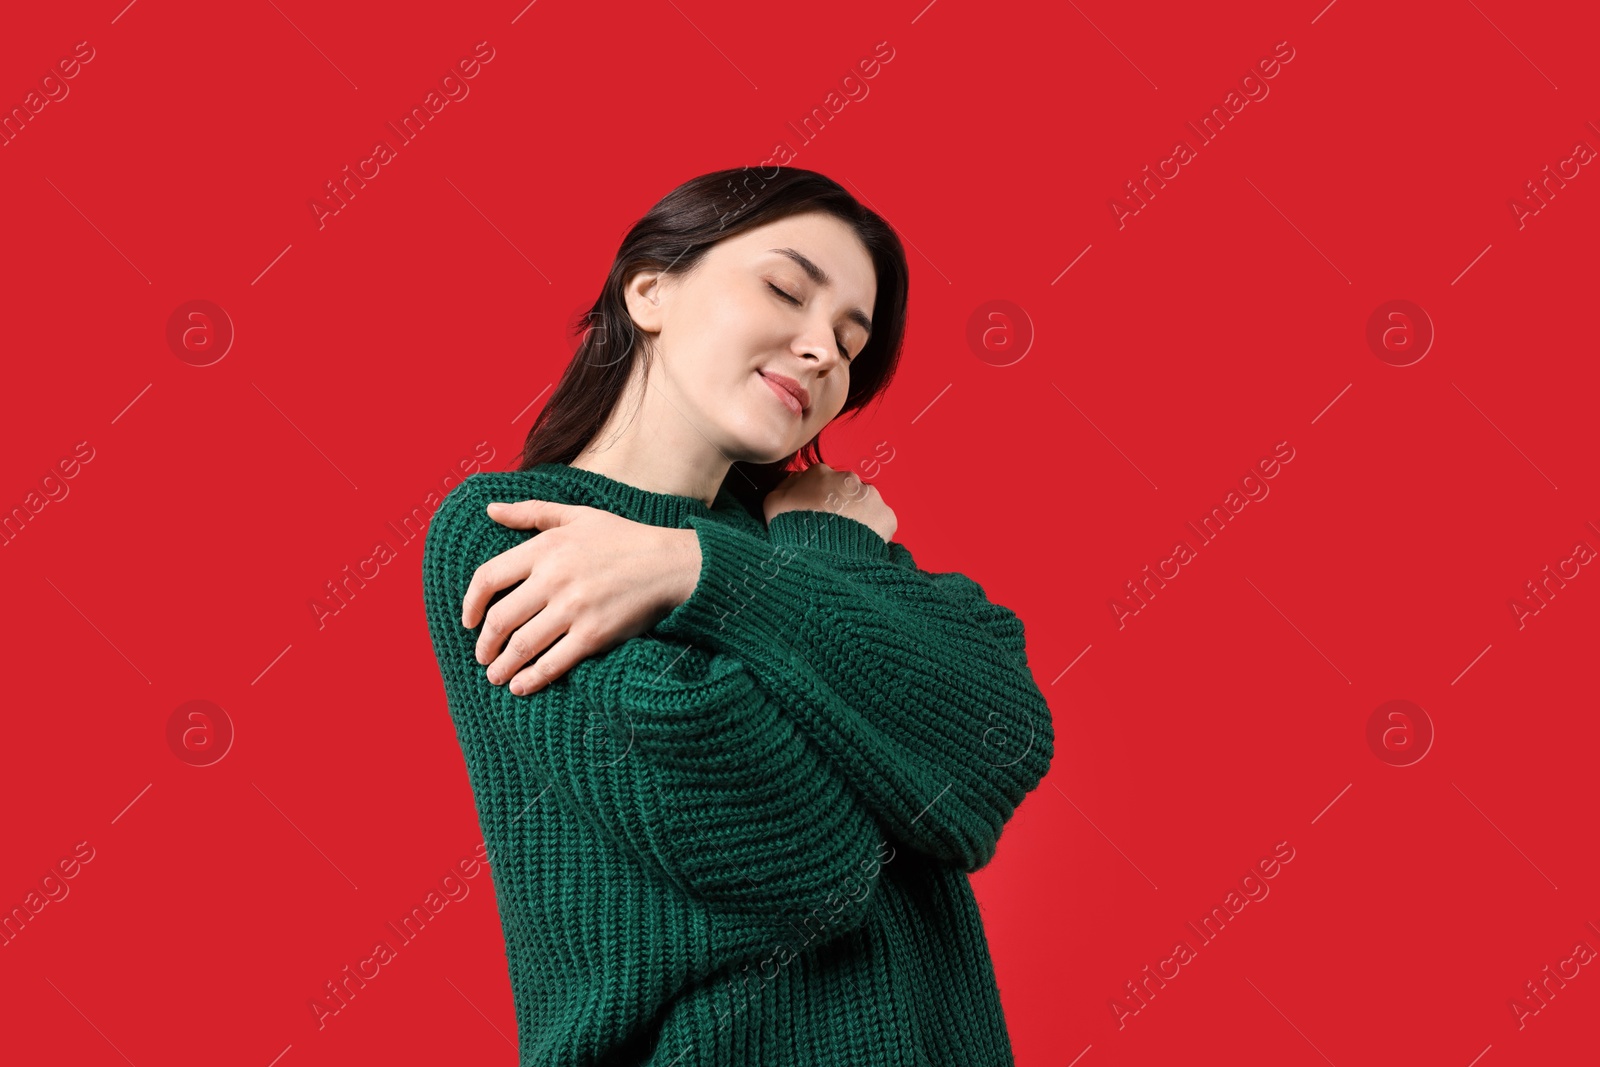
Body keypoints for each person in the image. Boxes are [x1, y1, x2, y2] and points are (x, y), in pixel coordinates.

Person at [420, 165, 1055, 1066]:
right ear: (649, 288)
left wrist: (697, 566)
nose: (823, 351)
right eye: (785, 288)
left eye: (849, 340)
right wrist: (889, 744)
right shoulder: (506, 534)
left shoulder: (814, 548)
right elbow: (794, 861)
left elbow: (1002, 730)